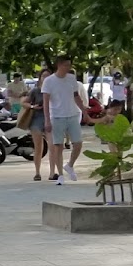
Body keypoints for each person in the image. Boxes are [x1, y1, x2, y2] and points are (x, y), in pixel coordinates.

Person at [42, 55, 86, 185]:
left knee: (78, 143)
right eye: (66, 65)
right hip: (57, 116)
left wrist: (84, 111)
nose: (68, 67)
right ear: (59, 65)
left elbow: (76, 96)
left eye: (69, 65)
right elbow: (45, 102)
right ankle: (60, 174)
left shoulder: (71, 78)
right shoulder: (49, 81)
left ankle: (70, 165)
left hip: (72, 114)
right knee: (58, 146)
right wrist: (47, 120)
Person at [23, 66, 50, 182]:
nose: (46, 78)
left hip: (51, 118)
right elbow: (24, 102)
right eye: (44, 76)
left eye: (48, 76)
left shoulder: (54, 90)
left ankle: (53, 172)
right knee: (38, 147)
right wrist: (33, 107)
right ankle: (37, 172)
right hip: (37, 119)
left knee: (54, 146)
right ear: (40, 78)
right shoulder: (35, 91)